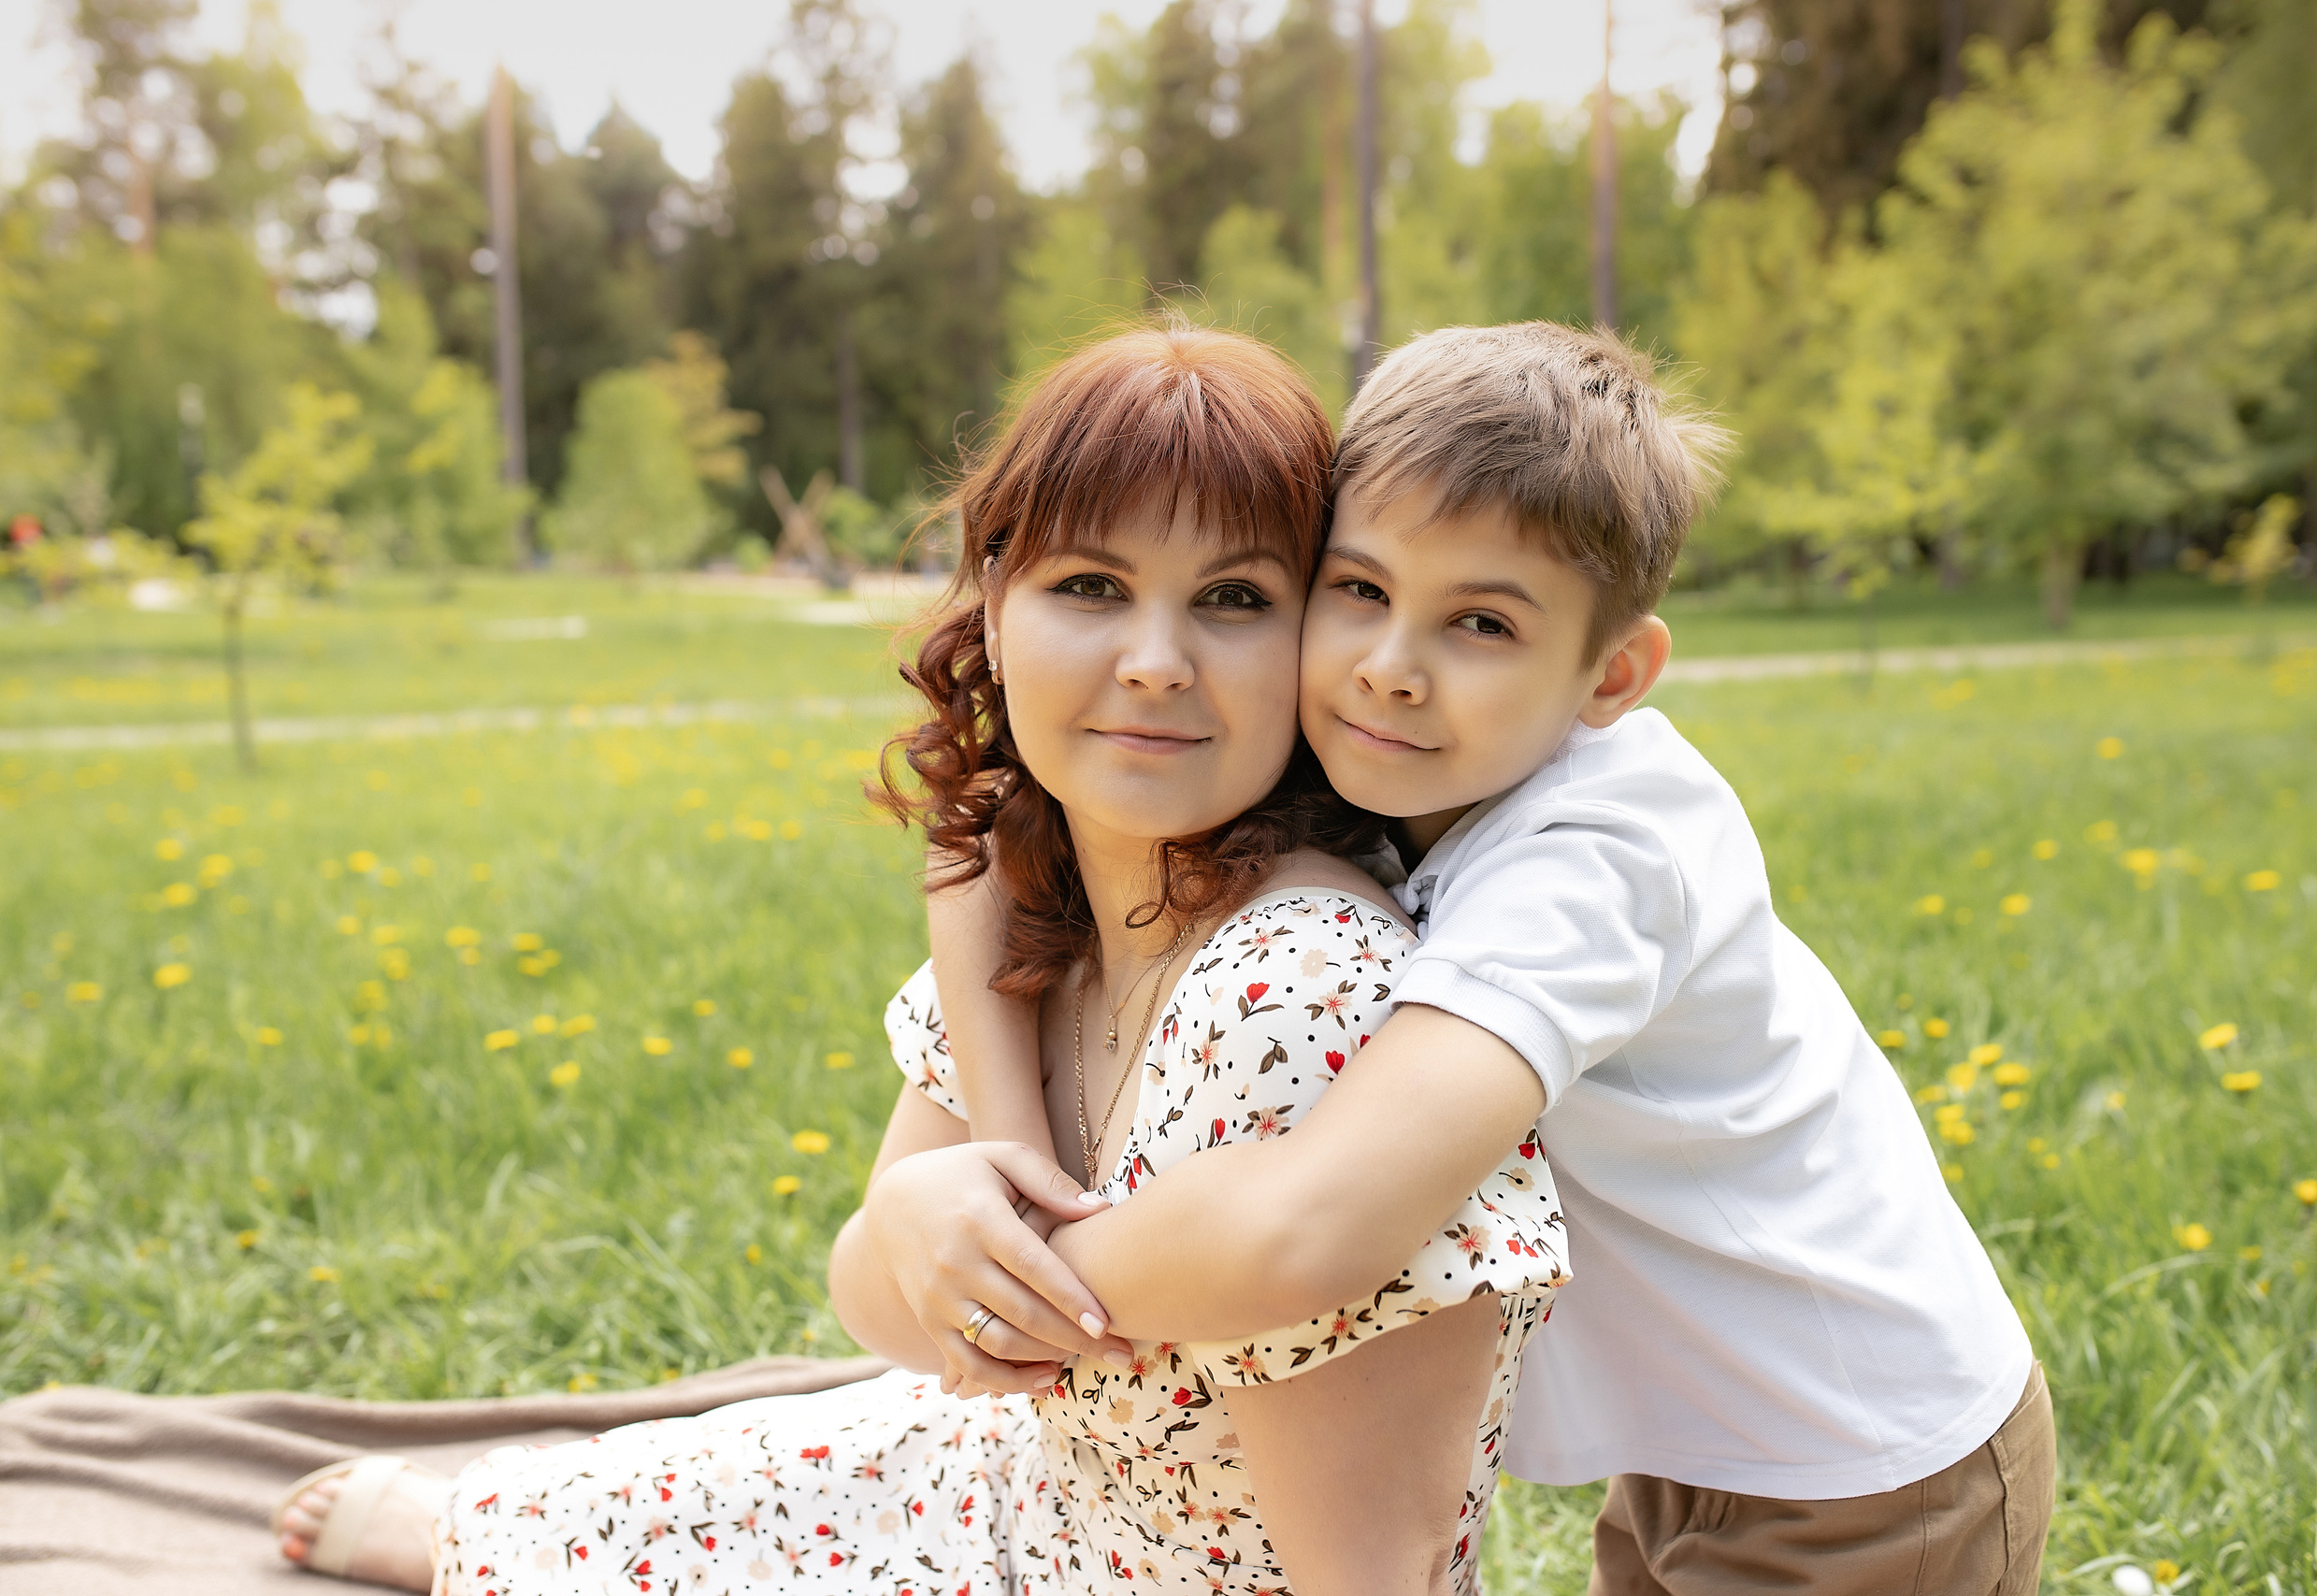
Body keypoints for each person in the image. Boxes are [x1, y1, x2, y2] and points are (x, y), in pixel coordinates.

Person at [268, 324, 1567, 1596]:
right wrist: (915, 1213)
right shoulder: (1057, 905)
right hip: (1034, 1489)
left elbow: (1372, 1573)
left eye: (1234, 600)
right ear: (995, 606)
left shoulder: (1293, 991)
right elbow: (884, 1311)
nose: (1155, 663)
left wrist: (973, 1267)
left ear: (1314, 644)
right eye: (1091, 587)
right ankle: (488, 1529)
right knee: (635, 1504)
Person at [920, 322, 2057, 1595]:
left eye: (1481, 623)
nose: (1392, 670)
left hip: (1869, 1468)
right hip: (1702, 1434)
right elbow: (977, 858)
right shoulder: (1408, 768)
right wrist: (999, 1151)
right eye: (1359, 591)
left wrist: (1022, 1283)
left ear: (1612, 673)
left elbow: (1318, 1224)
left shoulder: (1597, 860)